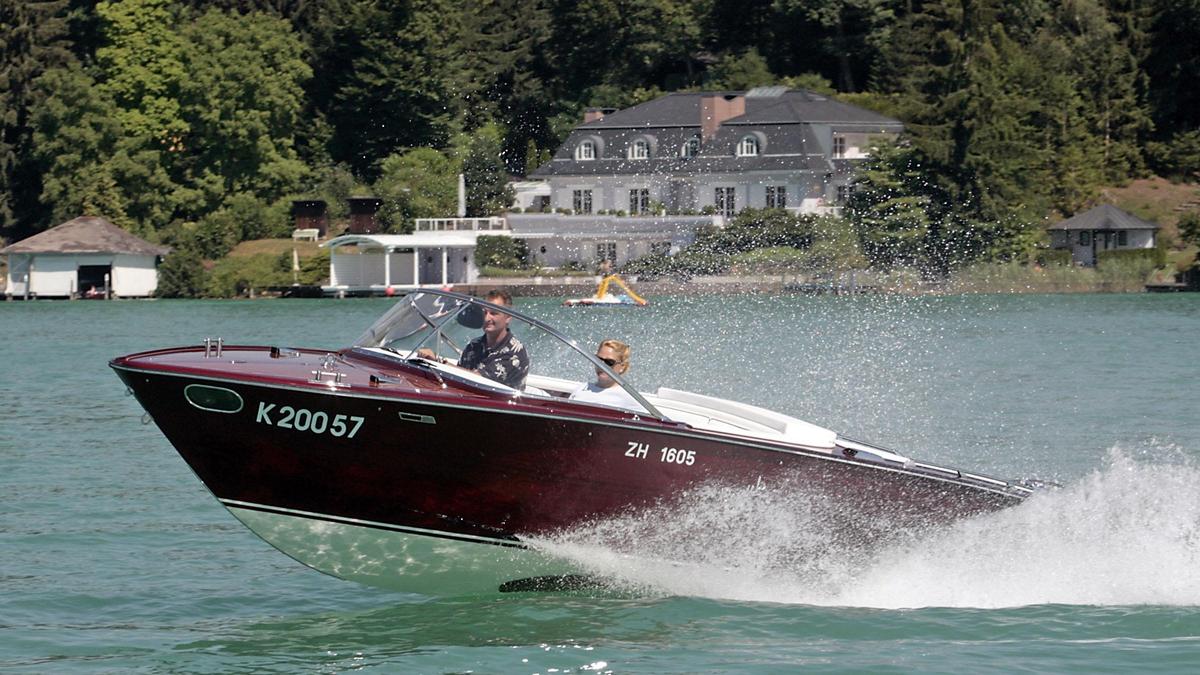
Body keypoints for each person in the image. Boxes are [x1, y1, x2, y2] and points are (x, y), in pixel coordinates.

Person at [418, 288, 529, 390]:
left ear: (508, 317)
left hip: (502, 407)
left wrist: (438, 362)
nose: (487, 318)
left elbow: (479, 379)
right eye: (484, 312)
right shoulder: (474, 346)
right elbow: (456, 378)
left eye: (494, 313)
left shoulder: (514, 353)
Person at [569, 339, 648, 413]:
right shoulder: (582, 388)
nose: (601, 365)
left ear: (622, 367)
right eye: (598, 359)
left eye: (609, 362)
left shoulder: (630, 398)